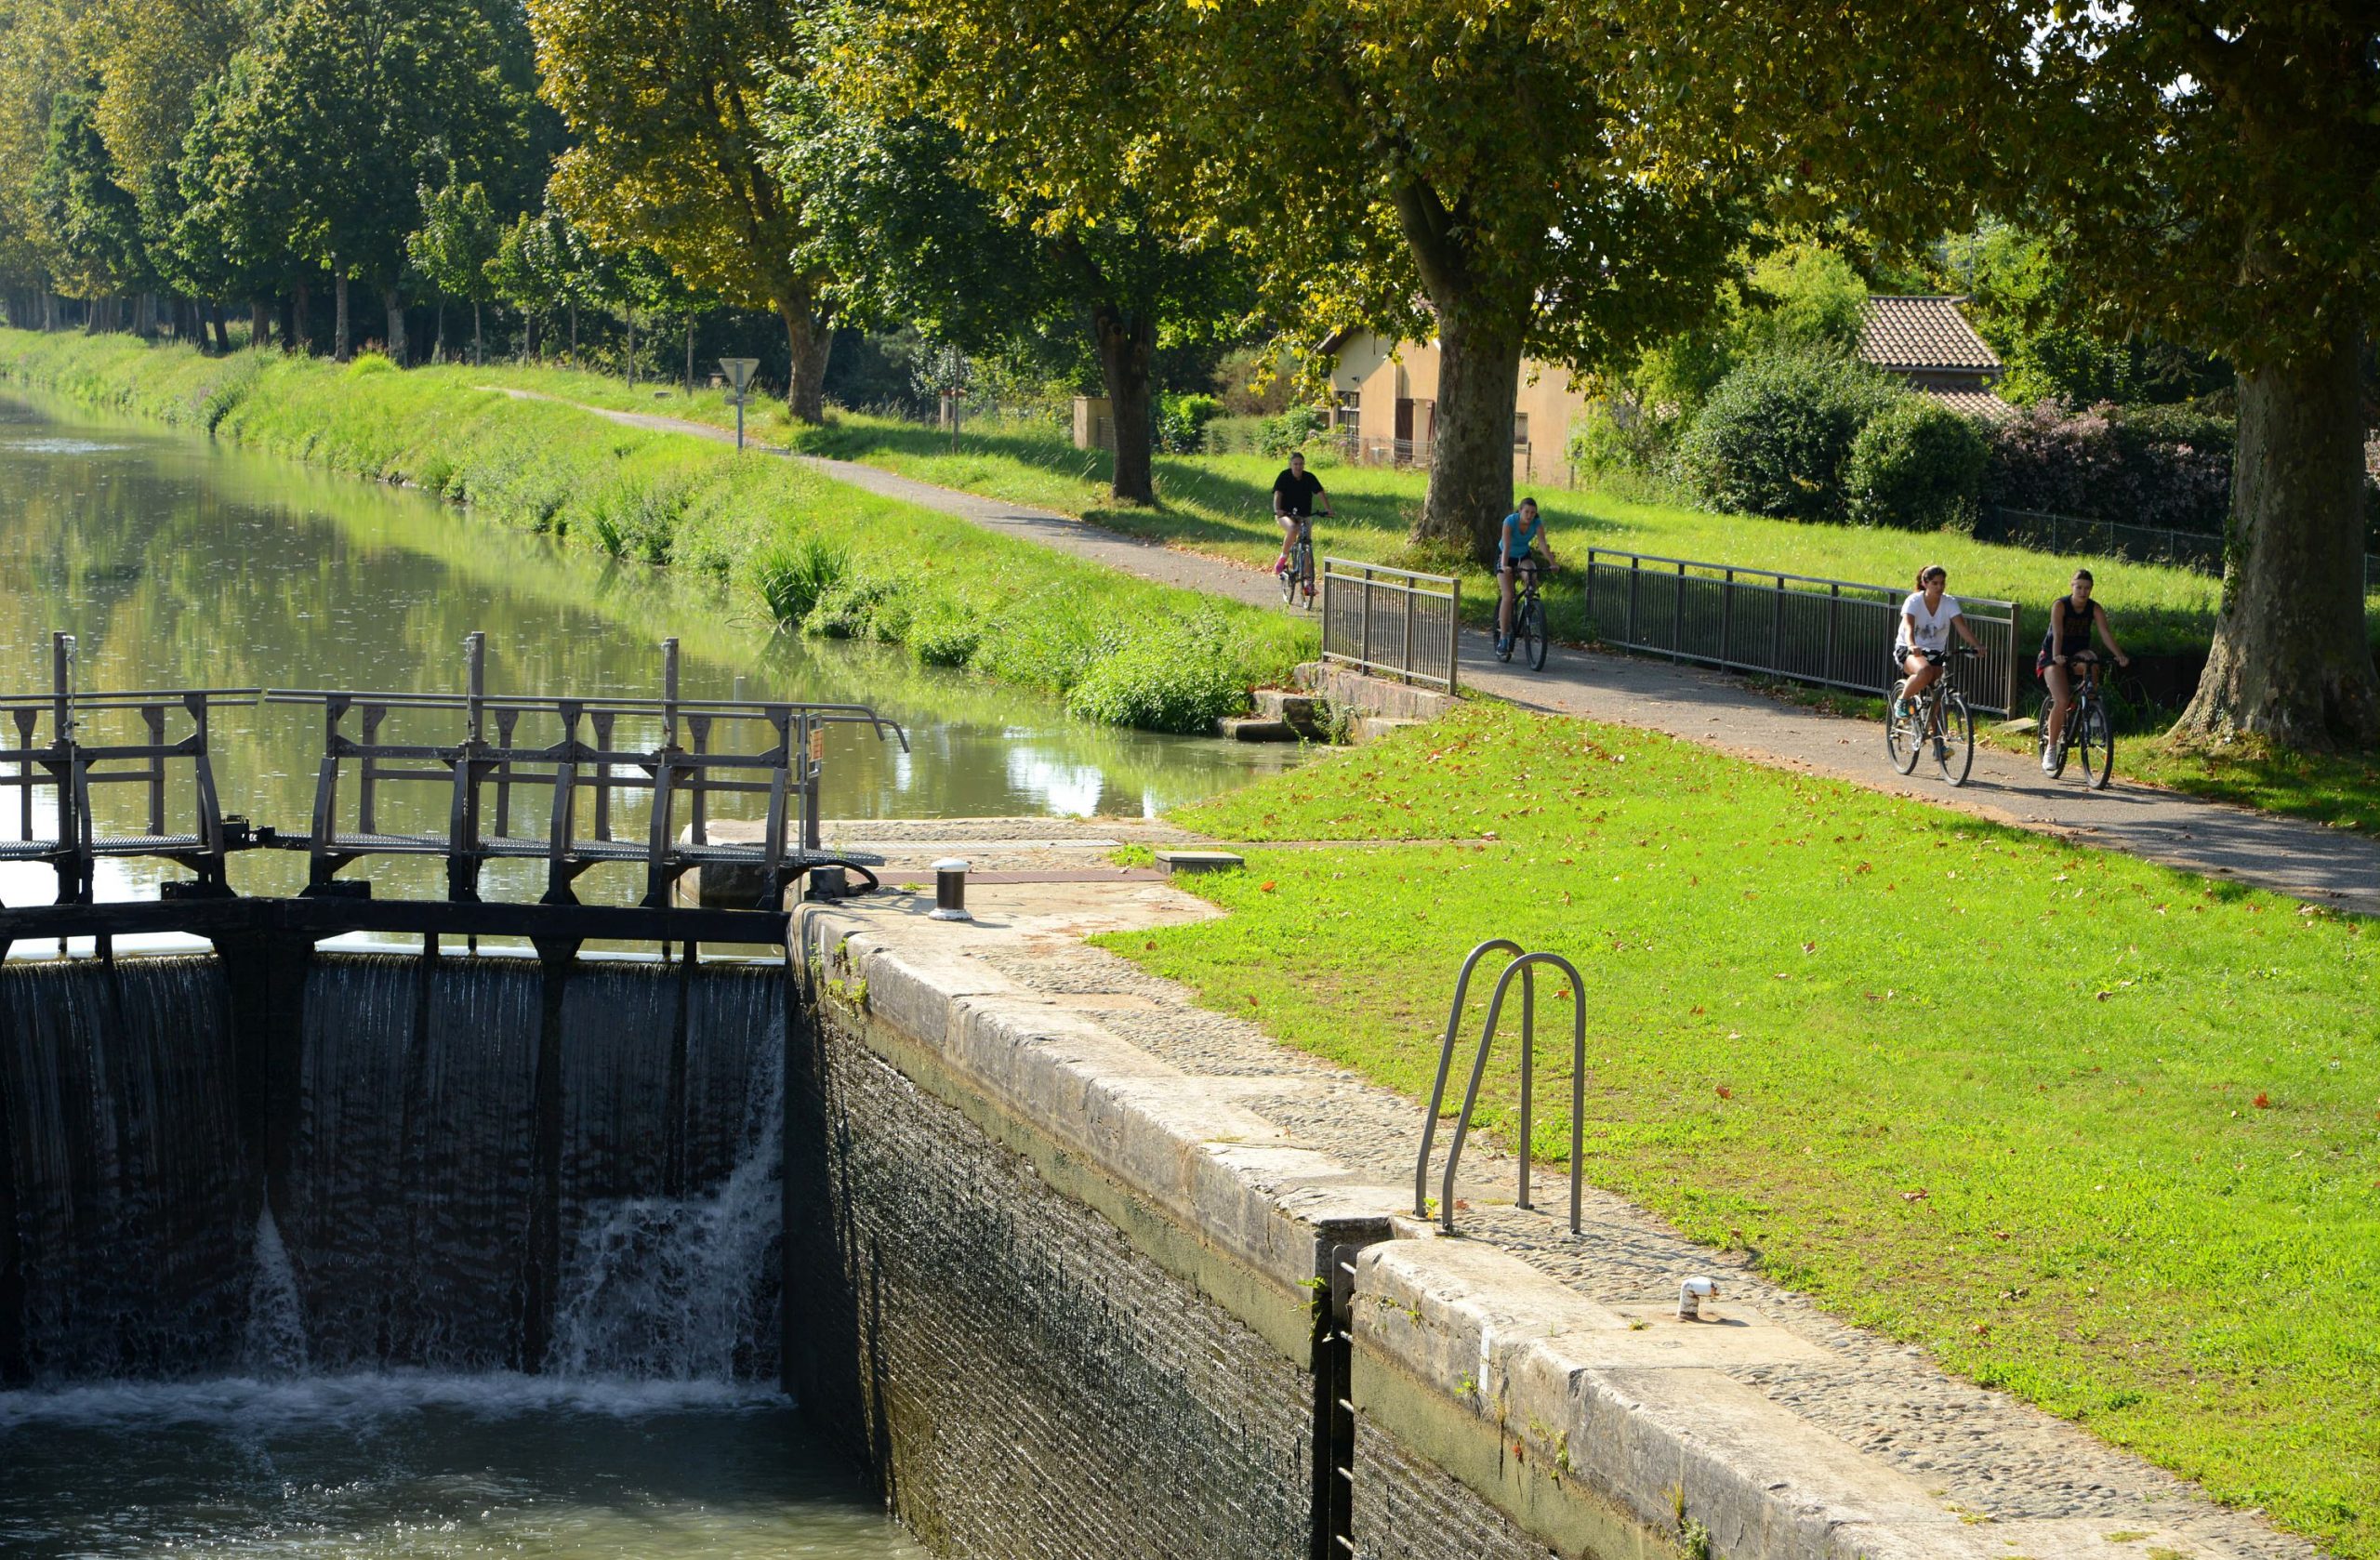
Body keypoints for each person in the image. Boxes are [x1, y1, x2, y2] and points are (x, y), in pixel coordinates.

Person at [2037, 568, 2130, 773]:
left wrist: (2119, 655)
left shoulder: (2094, 608)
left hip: (2078, 652)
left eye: (2087, 588)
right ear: (2072, 586)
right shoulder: (2060, 605)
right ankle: (2051, 748)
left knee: (2093, 661)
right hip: (2054, 654)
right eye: (2079, 587)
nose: (2083, 592)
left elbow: (2105, 633)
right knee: (2061, 699)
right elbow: (2058, 633)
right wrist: (2057, 656)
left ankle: (2091, 708)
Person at [1894, 564, 1984, 721]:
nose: (1939, 587)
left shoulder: (1949, 602)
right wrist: (1912, 645)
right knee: (1925, 671)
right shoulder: (1914, 601)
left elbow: (1961, 626)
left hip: (1936, 652)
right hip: (1909, 649)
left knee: (1938, 695)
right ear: (1925, 583)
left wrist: (1977, 645)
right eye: (1935, 583)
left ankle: (1938, 741)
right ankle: (1902, 700)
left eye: (1942, 583)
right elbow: (1908, 626)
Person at [1495, 497, 1554, 653]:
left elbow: (1542, 544)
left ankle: (1531, 612)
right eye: (1526, 512)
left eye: (1533, 513)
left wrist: (1552, 563)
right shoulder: (1510, 522)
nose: (1529, 515)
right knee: (1508, 595)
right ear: (1520, 510)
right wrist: (1504, 566)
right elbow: (1506, 545)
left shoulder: (1537, 523)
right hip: (1505, 556)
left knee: (1531, 576)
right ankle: (1503, 637)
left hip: (1523, 557)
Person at [1271, 451, 1331, 579]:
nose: (1298, 467)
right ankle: (1283, 557)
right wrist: (1278, 510)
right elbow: (1277, 494)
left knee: (1307, 545)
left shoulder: (1309, 477)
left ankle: (1308, 581)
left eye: (1301, 464)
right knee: (1293, 529)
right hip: (1285, 514)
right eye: (1295, 464)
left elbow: (1320, 493)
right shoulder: (1284, 476)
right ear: (1290, 465)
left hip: (1304, 515)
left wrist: (1328, 509)